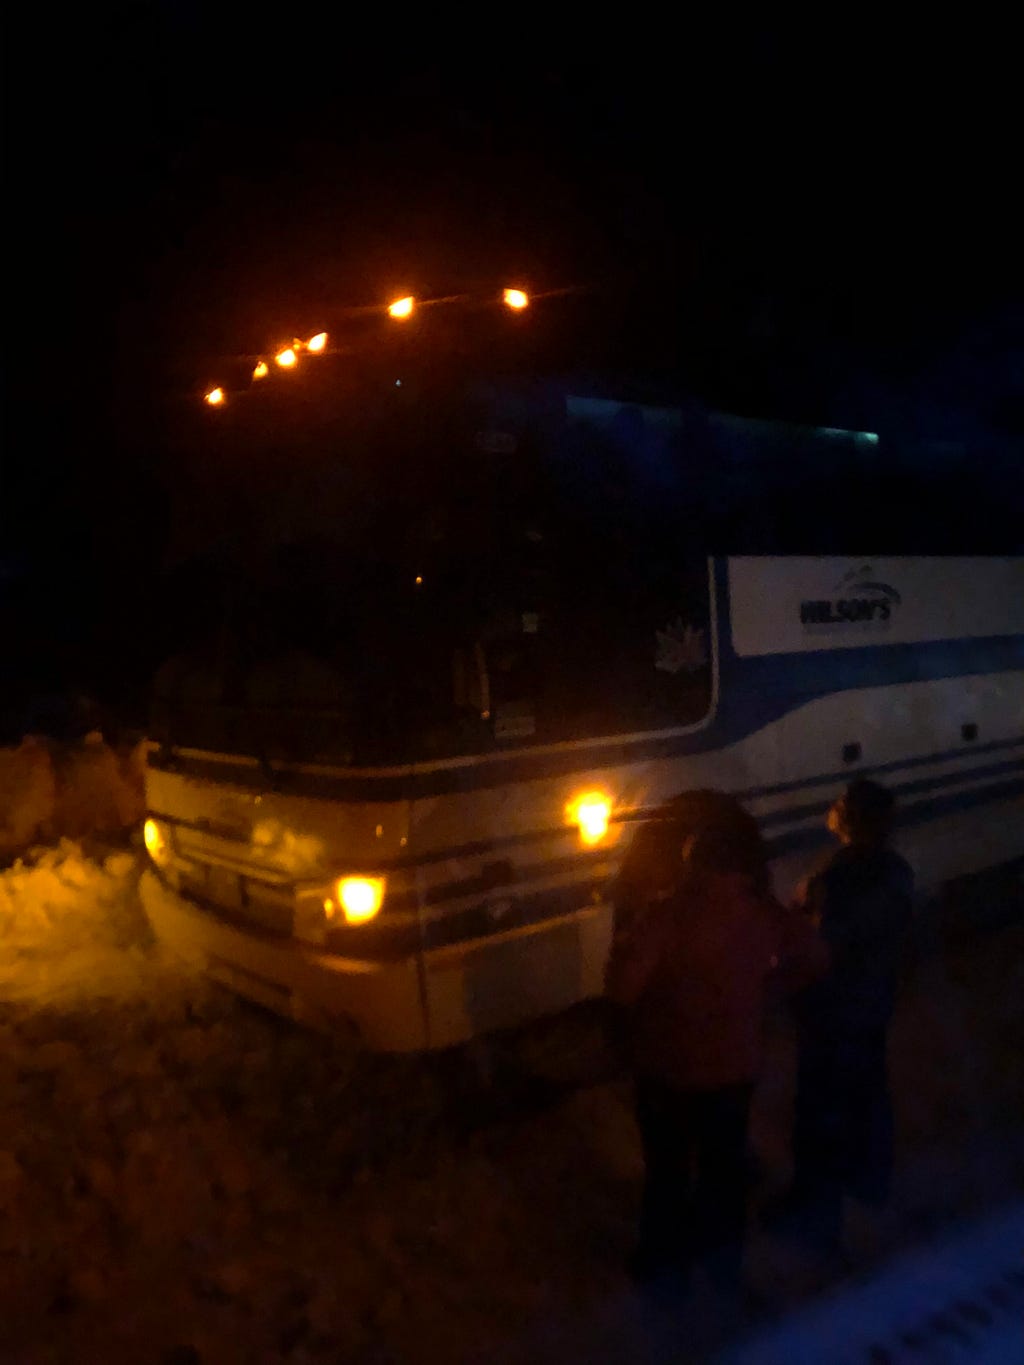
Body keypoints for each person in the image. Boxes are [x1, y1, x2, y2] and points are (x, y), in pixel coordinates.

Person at [606, 805, 827, 1293]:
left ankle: (665, 1268)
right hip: (733, 1068)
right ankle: (722, 1262)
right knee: (722, 1169)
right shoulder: (764, 912)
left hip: (667, 1069)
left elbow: (622, 989)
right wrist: (769, 991)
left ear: (694, 861)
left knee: (667, 1172)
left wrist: (626, 935)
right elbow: (813, 956)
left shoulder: (664, 915)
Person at [780, 778, 914, 1254]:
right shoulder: (897, 871)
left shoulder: (836, 878)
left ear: (850, 819)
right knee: (869, 1095)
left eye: (838, 805)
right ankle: (872, 1183)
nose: (831, 809)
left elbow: (822, 945)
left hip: (832, 1010)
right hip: (874, 1002)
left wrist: (802, 912)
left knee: (820, 1110)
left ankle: (818, 1220)